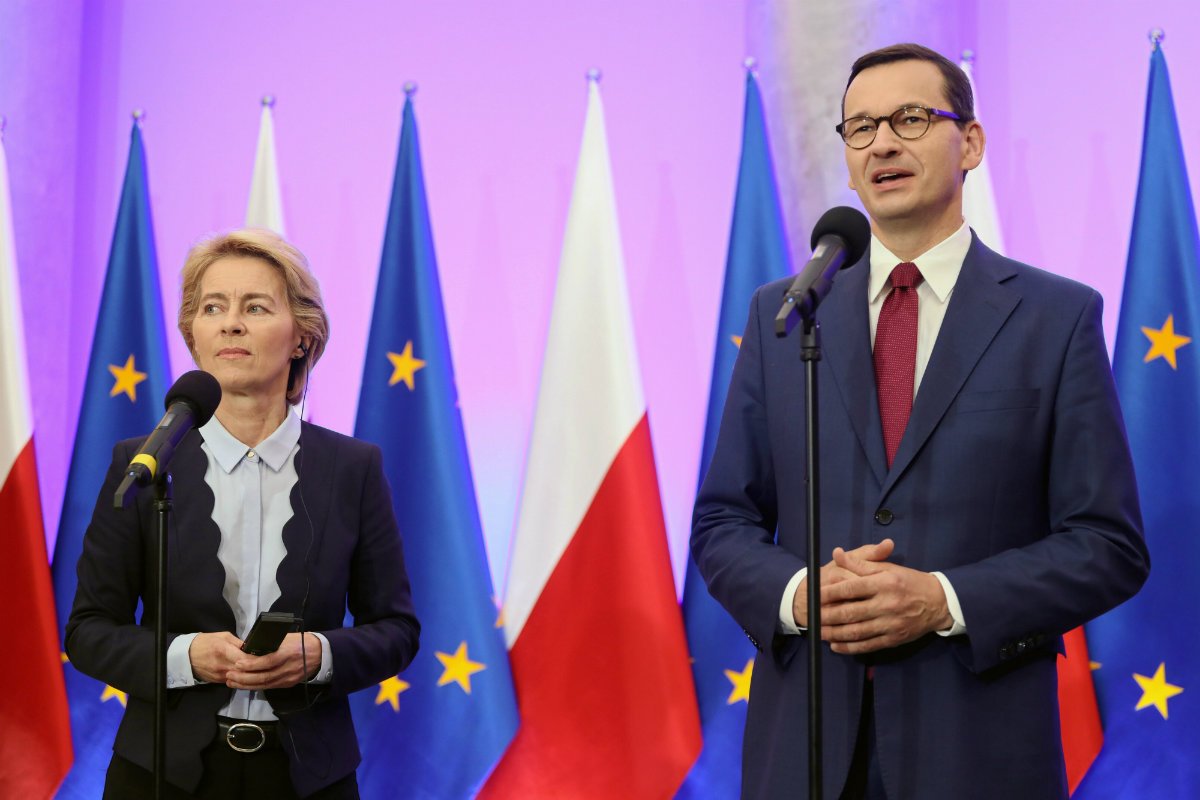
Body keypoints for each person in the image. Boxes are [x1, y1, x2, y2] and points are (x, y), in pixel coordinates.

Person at [691, 43, 1149, 799]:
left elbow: (1108, 544)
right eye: (860, 127)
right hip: (805, 748)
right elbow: (722, 520)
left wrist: (944, 600)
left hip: (977, 748)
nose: (882, 143)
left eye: (909, 117)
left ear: (969, 142)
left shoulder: (1054, 318)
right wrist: (800, 596)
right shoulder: (786, 315)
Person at [65, 229, 420, 799]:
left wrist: (319, 656)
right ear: (194, 336)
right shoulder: (143, 464)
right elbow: (87, 632)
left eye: (255, 307)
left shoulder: (353, 468)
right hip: (161, 774)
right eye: (212, 308)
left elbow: (397, 630)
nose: (231, 323)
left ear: (302, 337)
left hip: (310, 779)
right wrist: (186, 657)